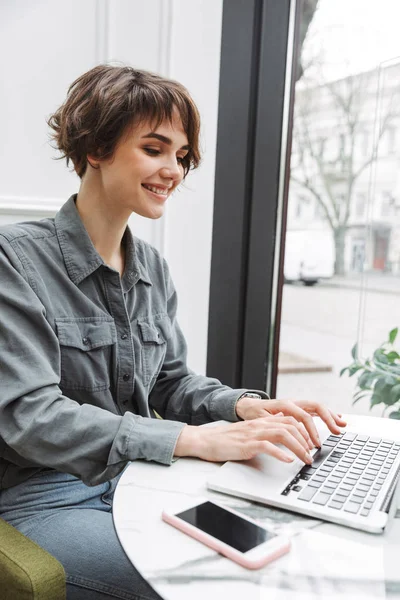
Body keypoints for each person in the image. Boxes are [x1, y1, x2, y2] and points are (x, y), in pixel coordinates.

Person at [0, 64, 346, 600]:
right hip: (44, 498)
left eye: (182, 156)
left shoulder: (152, 269)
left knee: (275, 562)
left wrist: (243, 407)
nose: (174, 171)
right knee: (211, 585)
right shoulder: (14, 259)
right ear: (96, 147)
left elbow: (170, 383)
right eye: (155, 149)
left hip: (138, 481)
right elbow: (31, 416)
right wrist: (193, 439)